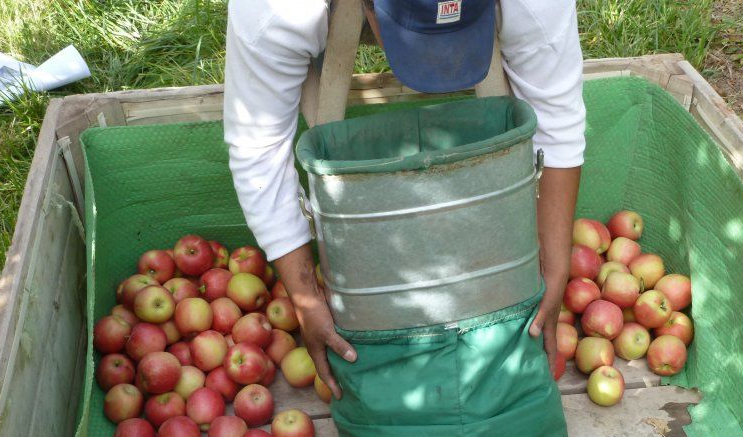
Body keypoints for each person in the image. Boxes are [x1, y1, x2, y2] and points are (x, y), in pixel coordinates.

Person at [223, 0, 585, 401]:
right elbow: (257, 149)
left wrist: (555, 266)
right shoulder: (275, 10)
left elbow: (558, 116)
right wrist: (306, 297)